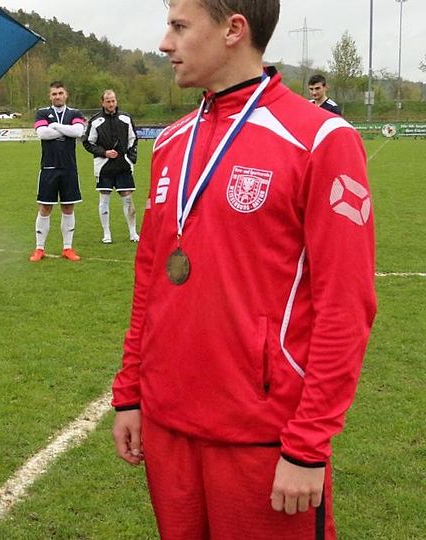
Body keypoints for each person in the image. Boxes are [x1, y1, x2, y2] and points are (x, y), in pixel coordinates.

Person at [110, 1, 376, 538]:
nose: (165, 43)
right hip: (167, 424)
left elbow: (345, 306)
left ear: (234, 30)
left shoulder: (321, 139)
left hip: (264, 438)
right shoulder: (170, 142)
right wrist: (131, 391)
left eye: (179, 26)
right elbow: (151, 280)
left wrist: (308, 443)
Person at [30, 81, 86, 262]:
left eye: (60, 93)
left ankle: (67, 248)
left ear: (66, 94)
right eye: (54, 94)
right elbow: (42, 134)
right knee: (45, 207)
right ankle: (39, 249)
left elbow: (78, 132)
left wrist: (54, 126)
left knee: (68, 207)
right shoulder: (42, 113)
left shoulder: (75, 113)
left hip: (69, 168)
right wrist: (66, 131)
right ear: (50, 96)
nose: (57, 96)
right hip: (49, 168)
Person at [82, 89, 140, 244]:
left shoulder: (126, 118)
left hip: (123, 165)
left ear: (116, 101)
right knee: (104, 198)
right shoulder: (95, 121)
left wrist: (129, 158)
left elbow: (133, 139)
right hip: (104, 166)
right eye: (108, 101)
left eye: (113, 100)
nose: (111, 104)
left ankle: (133, 233)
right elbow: (88, 143)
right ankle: (106, 234)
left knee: (127, 198)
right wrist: (104, 153)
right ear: (102, 102)